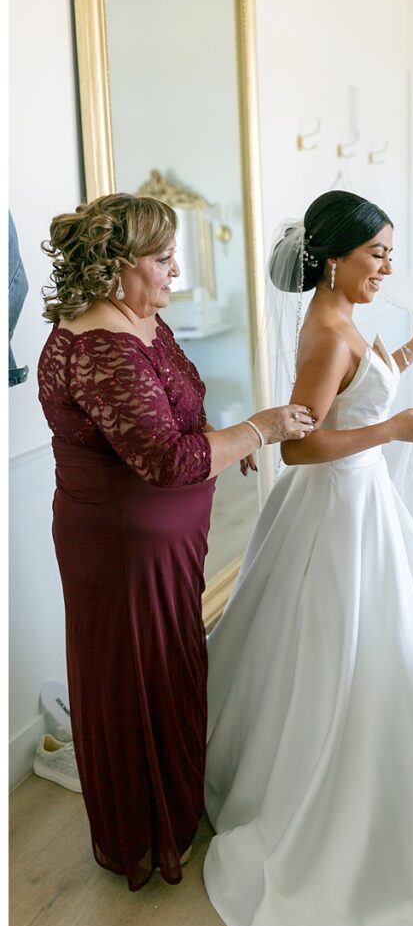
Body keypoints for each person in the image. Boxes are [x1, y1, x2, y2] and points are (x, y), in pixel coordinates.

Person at [202, 191, 413, 926]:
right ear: (335, 257)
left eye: (390, 254)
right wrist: (394, 430)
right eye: (375, 253)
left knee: (380, 635)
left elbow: (353, 390)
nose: (386, 266)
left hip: (361, 503)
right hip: (335, 509)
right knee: (336, 644)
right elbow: (301, 443)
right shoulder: (324, 333)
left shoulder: (345, 322)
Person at [35, 193, 316, 890]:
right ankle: (145, 831)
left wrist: (231, 441)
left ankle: (174, 810)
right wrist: (261, 430)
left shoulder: (143, 321)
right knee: (136, 679)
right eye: (162, 259)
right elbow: (168, 460)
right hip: (126, 548)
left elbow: (182, 414)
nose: (175, 271)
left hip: (165, 541)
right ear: (115, 266)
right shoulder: (101, 345)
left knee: (168, 668)